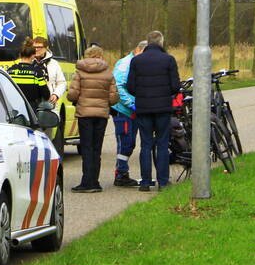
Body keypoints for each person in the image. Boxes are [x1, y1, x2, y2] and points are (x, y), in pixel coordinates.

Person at [125, 30, 181, 191]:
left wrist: (142, 95)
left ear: (148, 42)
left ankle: (145, 182)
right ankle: (163, 181)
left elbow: (130, 86)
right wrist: (165, 94)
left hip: (143, 108)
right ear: (161, 42)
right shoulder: (168, 60)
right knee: (162, 144)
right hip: (163, 108)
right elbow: (175, 86)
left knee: (146, 144)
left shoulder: (137, 61)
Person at [66, 45, 119, 193]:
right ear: (100, 57)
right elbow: (114, 97)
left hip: (85, 115)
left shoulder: (80, 73)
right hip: (101, 115)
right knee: (96, 149)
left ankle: (86, 181)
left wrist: (79, 99)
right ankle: (95, 181)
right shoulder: (108, 74)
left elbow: (72, 95)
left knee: (87, 148)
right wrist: (105, 102)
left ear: (87, 56)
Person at [111, 40, 147, 187]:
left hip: (134, 110)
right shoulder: (125, 64)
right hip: (123, 110)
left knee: (130, 143)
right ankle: (121, 174)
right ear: (139, 50)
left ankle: (122, 172)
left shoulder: (137, 62)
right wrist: (132, 104)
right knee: (125, 142)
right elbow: (118, 86)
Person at [6, 38, 50, 108]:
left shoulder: (10, 71)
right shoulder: (36, 72)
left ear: (20, 55)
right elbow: (46, 94)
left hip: (13, 108)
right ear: (33, 55)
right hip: (31, 110)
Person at [32, 37, 67, 108]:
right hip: (31, 102)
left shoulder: (54, 64)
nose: (36, 49)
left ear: (46, 48)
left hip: (49, 102)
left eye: (39, 47)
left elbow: (62, 83)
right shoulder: (27, 62)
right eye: (34, 47)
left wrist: (56, 94)